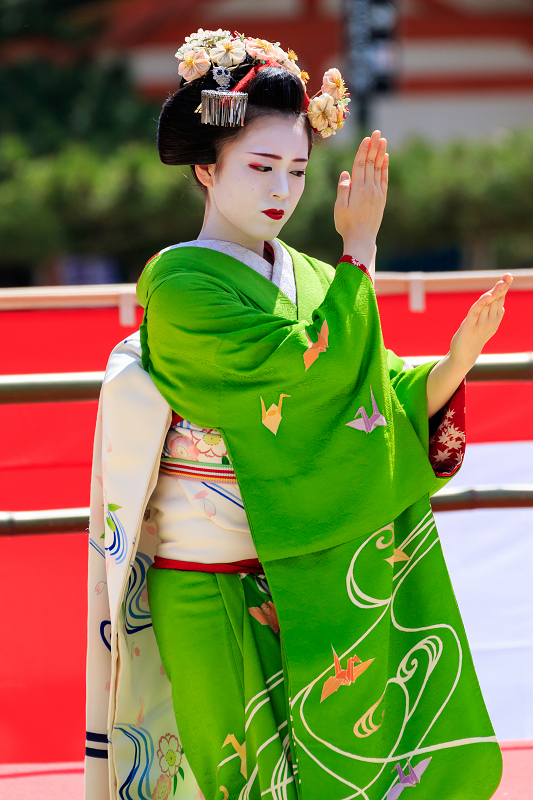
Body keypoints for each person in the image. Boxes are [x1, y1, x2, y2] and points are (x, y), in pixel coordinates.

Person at [85, 29, 512, 800]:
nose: (280, 189)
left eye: (296, 170)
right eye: (259, 167)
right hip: (211, 581)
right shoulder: (181, 287)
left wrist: (451, 364)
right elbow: (300, 377)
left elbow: (367, 396)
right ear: (207, 170)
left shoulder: (316, 280)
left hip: (309, 577)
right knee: (238, 778)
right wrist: (361, 253)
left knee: (336, 775)